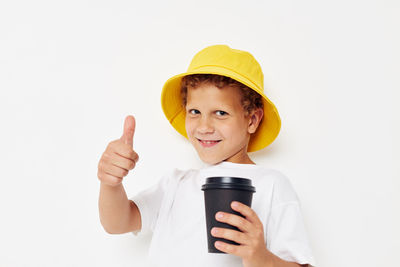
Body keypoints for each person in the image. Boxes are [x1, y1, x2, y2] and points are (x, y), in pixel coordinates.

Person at [97, 45, 316, 267]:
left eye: (220, 113)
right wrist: (109, 183)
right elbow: (117, 222)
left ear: (252, 120)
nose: (204, 126)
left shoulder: (271, 185)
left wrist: (261, 258)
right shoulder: (176, 183)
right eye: (195, 112)